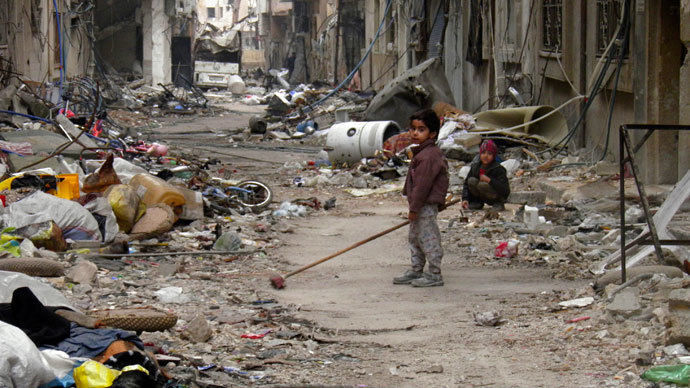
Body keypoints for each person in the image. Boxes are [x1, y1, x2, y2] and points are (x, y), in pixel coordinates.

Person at [393, 109, 449, 287]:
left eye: (421, 129)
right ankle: (417, 269)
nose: (415, 133)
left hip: (424, 204)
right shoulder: (421, 153)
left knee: (428, 238)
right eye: (413, 128)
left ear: (432, 133)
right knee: (415, 238)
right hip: (419, 205)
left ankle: (434, 274)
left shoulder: (429, 156)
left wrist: (415, 208)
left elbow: (422, 186)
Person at [462, 139, 510, 211]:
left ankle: (498, 204)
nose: (486, 156)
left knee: (482, 185)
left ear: (494, 156)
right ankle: (477, 202)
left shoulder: (498, 169)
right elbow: (466, 184)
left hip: (495, 196)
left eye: (489, 154)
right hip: (482, 195)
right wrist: (465, 199)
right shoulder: (475, 166)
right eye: (483, 153)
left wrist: (490, 181)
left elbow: (505, 190)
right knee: (471, 180)